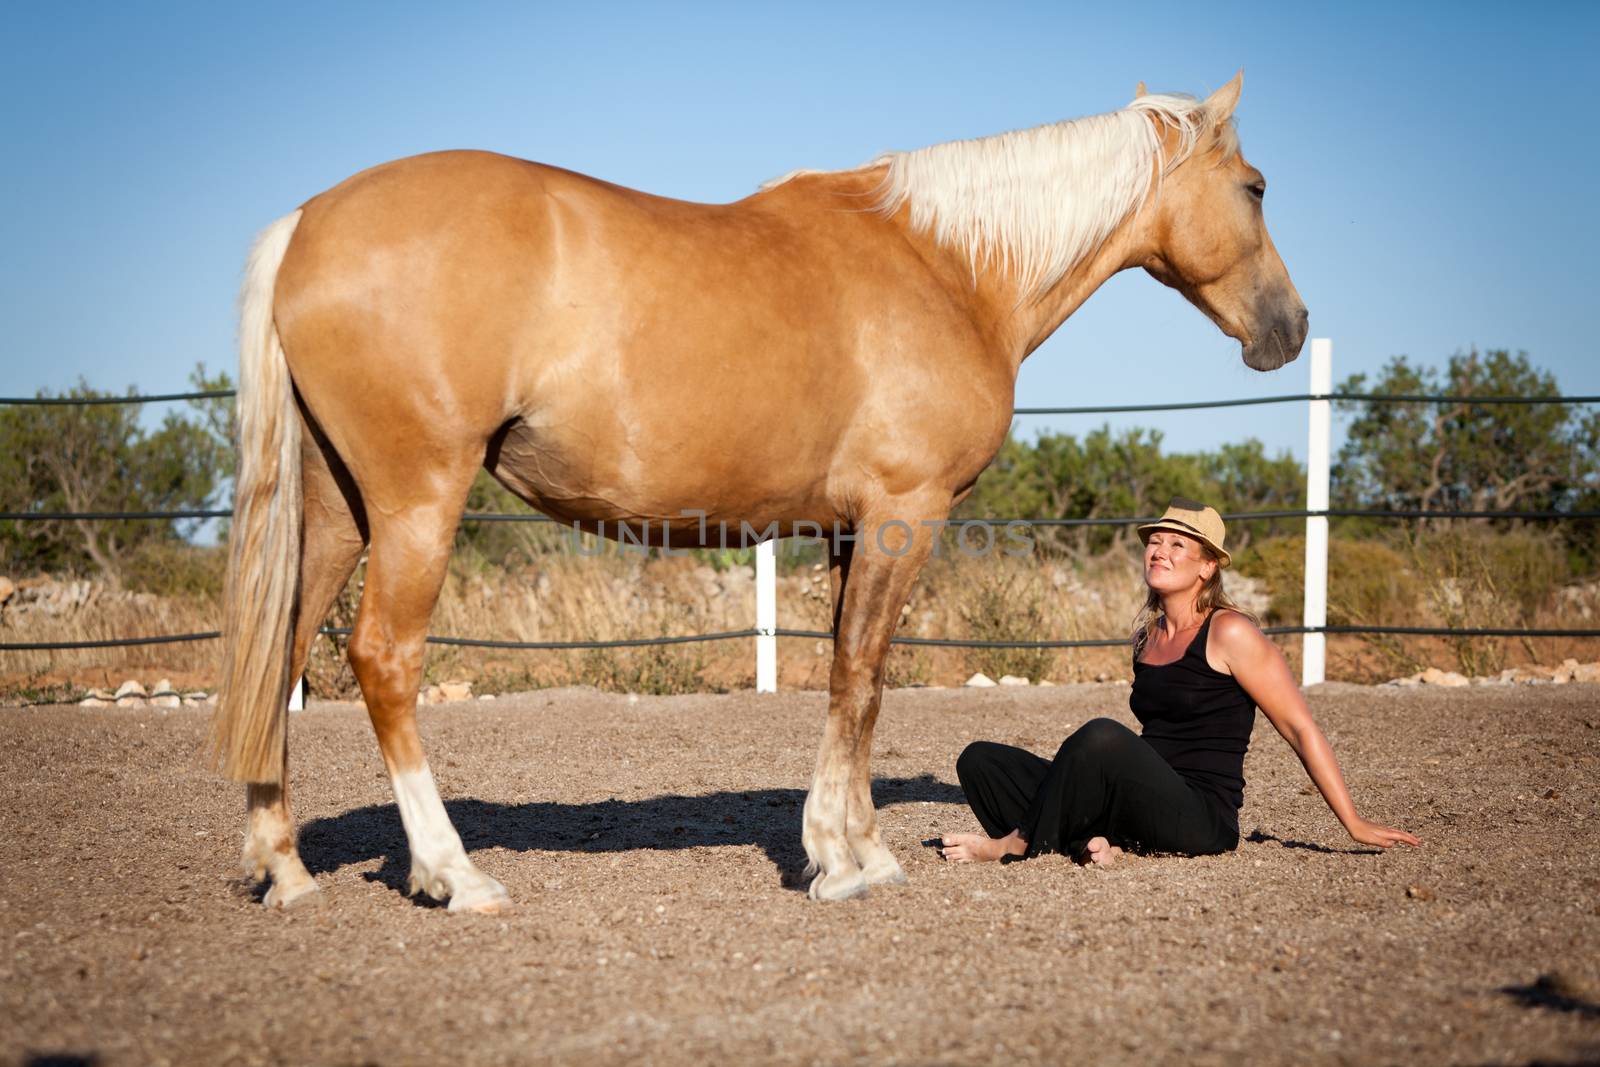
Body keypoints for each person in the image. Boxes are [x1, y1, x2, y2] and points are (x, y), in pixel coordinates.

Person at [939, 497, 1420, 866]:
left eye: (1177, 545)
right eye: (1154, 542)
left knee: (1101, 736)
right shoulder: (1147, 637)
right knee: (982, 761)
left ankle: (1018, 844)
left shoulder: (1230, 631)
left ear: (1207, 566)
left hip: (1200, 817)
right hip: (1139, 803)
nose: (1159, 552)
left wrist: (1352, 822)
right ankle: (1095, 843)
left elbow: (1299, 728)